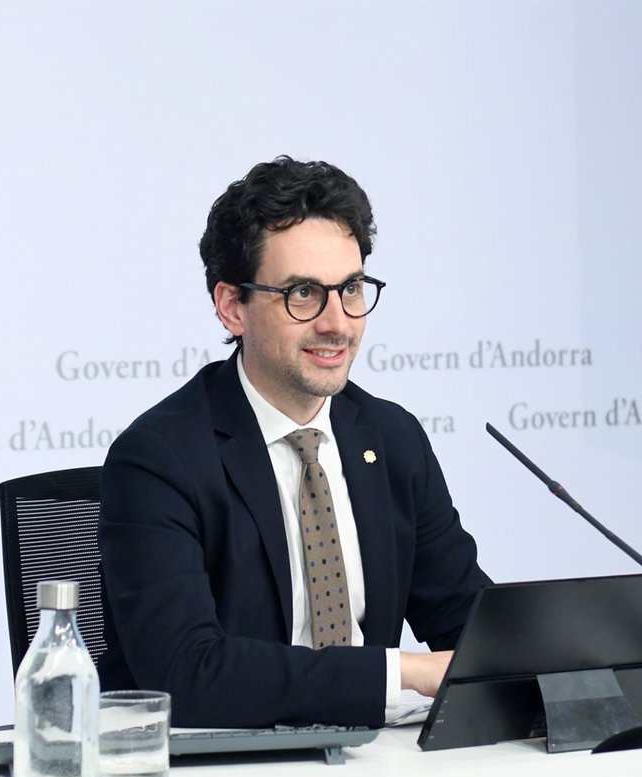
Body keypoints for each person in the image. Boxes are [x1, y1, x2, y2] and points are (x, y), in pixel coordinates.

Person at [96, 156, 490, 729]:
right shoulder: (159, 459)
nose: (337, 323)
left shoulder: (392, 438)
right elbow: (187, 672)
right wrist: (401, 673)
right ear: (232, 307)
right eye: (303, 293)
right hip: (222, 769)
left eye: (351, 288)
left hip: (370, 761)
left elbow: (469, 623)